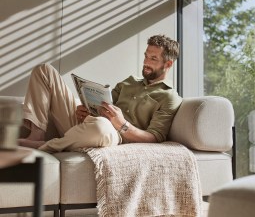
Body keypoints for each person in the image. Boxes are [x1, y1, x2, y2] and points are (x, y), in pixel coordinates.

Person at [19, 34, 182, 153]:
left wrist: (122, 125)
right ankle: (37, 135)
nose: (146, 62)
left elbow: (155, 137)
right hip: (87, 125)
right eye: (146, 56)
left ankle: (46, 146)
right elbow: (103, 106)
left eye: (153, 59)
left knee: (100, 127)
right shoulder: (129, 82)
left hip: (111, 134)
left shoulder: (169, 97)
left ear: (168, 64)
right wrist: (85, 111)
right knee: (44, 70)